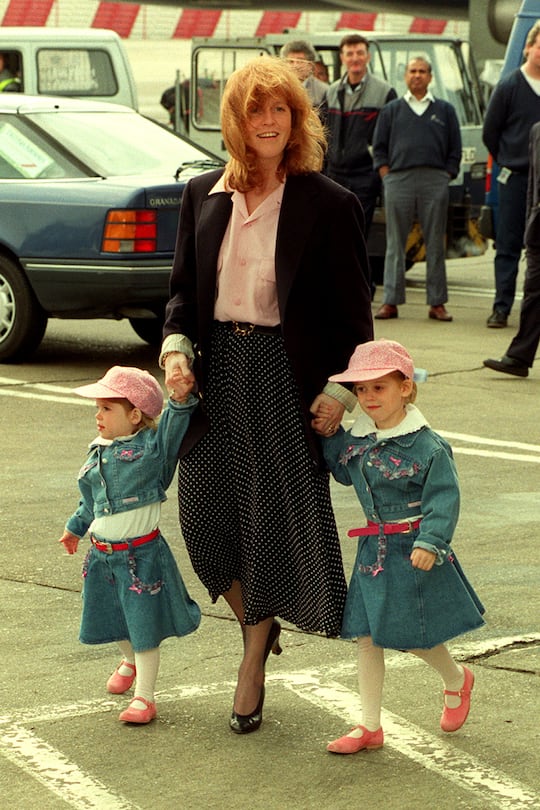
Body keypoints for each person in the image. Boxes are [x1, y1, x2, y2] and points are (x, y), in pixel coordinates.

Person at [160, 56, 373, 735]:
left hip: (284, 376)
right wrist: (175, 353)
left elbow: (355, 317)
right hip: (218, 369)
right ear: (237, 122)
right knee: (203, 521)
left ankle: (252, 655)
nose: (269, 120)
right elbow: (181, 299)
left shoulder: (329, 205)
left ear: (297, 118)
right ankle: (260, 620)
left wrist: (340, 391)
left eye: (280, 109)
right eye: (256, 111)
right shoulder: (203, 195)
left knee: (274, 524)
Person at [320, 339, 485, 754]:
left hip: (414, 549)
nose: (369, 397)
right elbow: (340, 469)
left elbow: (444, 497)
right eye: (361, 390)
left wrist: (432, 540)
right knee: (367, 636)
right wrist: (326, 433)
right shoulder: (357, 441)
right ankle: (369, 725)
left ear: (405, 389)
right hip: (372, 553)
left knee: (413, 635)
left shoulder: (427, 446)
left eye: (379, 387)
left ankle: (455, 679)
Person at [58, 366, 201, 725]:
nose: (98, 415)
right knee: (110, 617)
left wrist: (180, 398)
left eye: (107, 408)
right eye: (98, 408)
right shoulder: (97, 452)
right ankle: (129, 660)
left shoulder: (153, 450)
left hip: (140, 558)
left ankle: (145, 697)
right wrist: (74, 529)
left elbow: (172, 425)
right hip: (102, 557)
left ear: (135, 414)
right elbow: (90, 501)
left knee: (143, 627)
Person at [373, 57, 461, 322]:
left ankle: (437, 303)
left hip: (434, 180)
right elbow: (379, 148)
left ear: (430, 77)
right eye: (413, 71)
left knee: (435, 243)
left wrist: (447, 174)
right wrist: (386, 175)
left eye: (423, 71)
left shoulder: (444, 110)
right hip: (399, 179)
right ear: (406, 76)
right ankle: (391, 301)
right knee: (394, 244)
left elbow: (454, 148)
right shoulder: (391, 110)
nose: (418, 75)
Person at [482, 20, 540, 329]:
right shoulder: (509, 86)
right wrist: (508, 159)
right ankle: (501, 307)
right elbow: (490, 132)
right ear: (529, 47)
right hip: (516, 179)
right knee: (507, 246)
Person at [321, 34, 397, 237]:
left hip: (365, 176)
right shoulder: (331, 92)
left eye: (360, 53)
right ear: (342, 58)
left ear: (368, 57)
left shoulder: (385, 92)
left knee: (357, 234)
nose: (355, 58)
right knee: (333, 233)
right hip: (335, 176)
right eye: (350, 53)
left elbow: (391, 138)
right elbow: (322, 133)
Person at [484, 120, 540, 377]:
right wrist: (531, 220)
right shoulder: (537, 130)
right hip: (539, 227)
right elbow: (533, 184)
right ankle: (519, 357)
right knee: (533, 292)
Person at [280, 39, 328, 107]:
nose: (295, 66)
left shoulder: (323, 91)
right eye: (291, 61)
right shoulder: (277, 87)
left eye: (300, 61)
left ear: (311, 65)